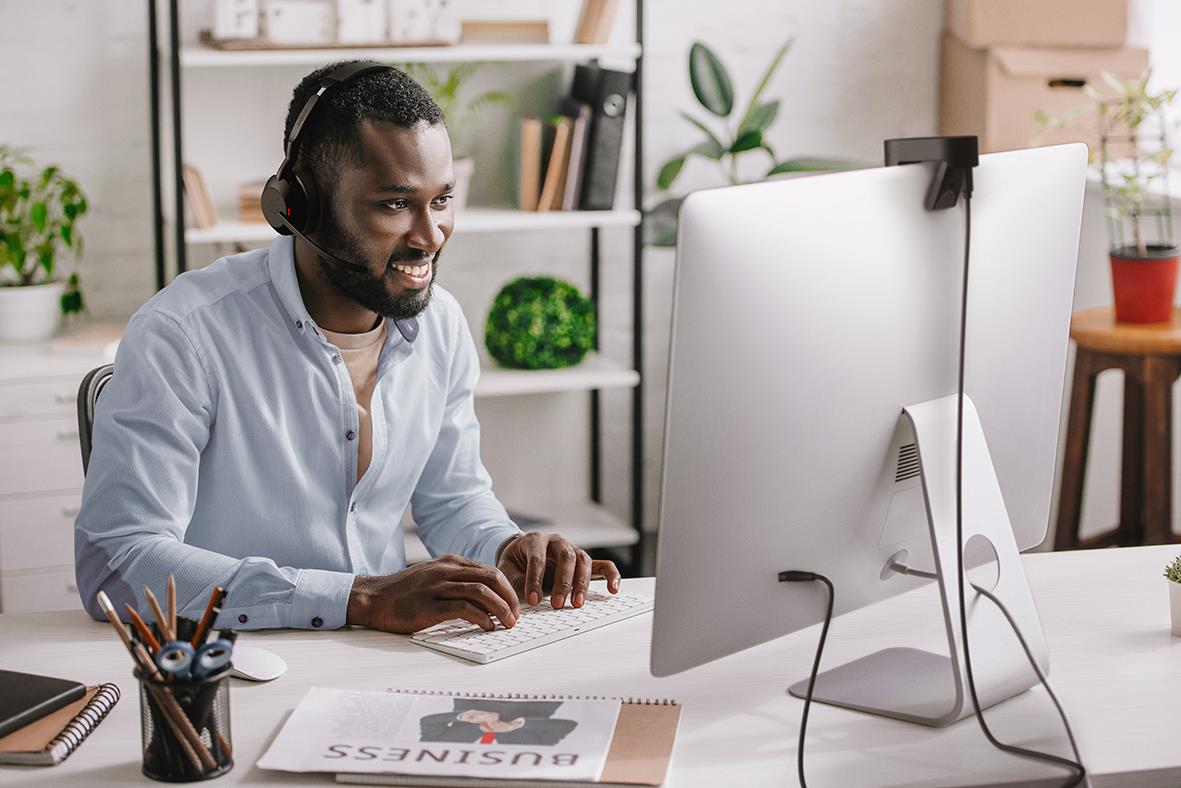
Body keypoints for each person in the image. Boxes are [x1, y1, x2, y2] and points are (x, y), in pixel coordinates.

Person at [74, 61, 621, 634]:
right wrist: (356, 598)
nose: (430, 236)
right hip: (231, 663)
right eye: (393, 204)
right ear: (300, 206)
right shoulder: (184, 333)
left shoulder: (442, 325)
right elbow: (117, 564)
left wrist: (504, 549)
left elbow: (453, 500)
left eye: (441, 201)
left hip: (389, 658)